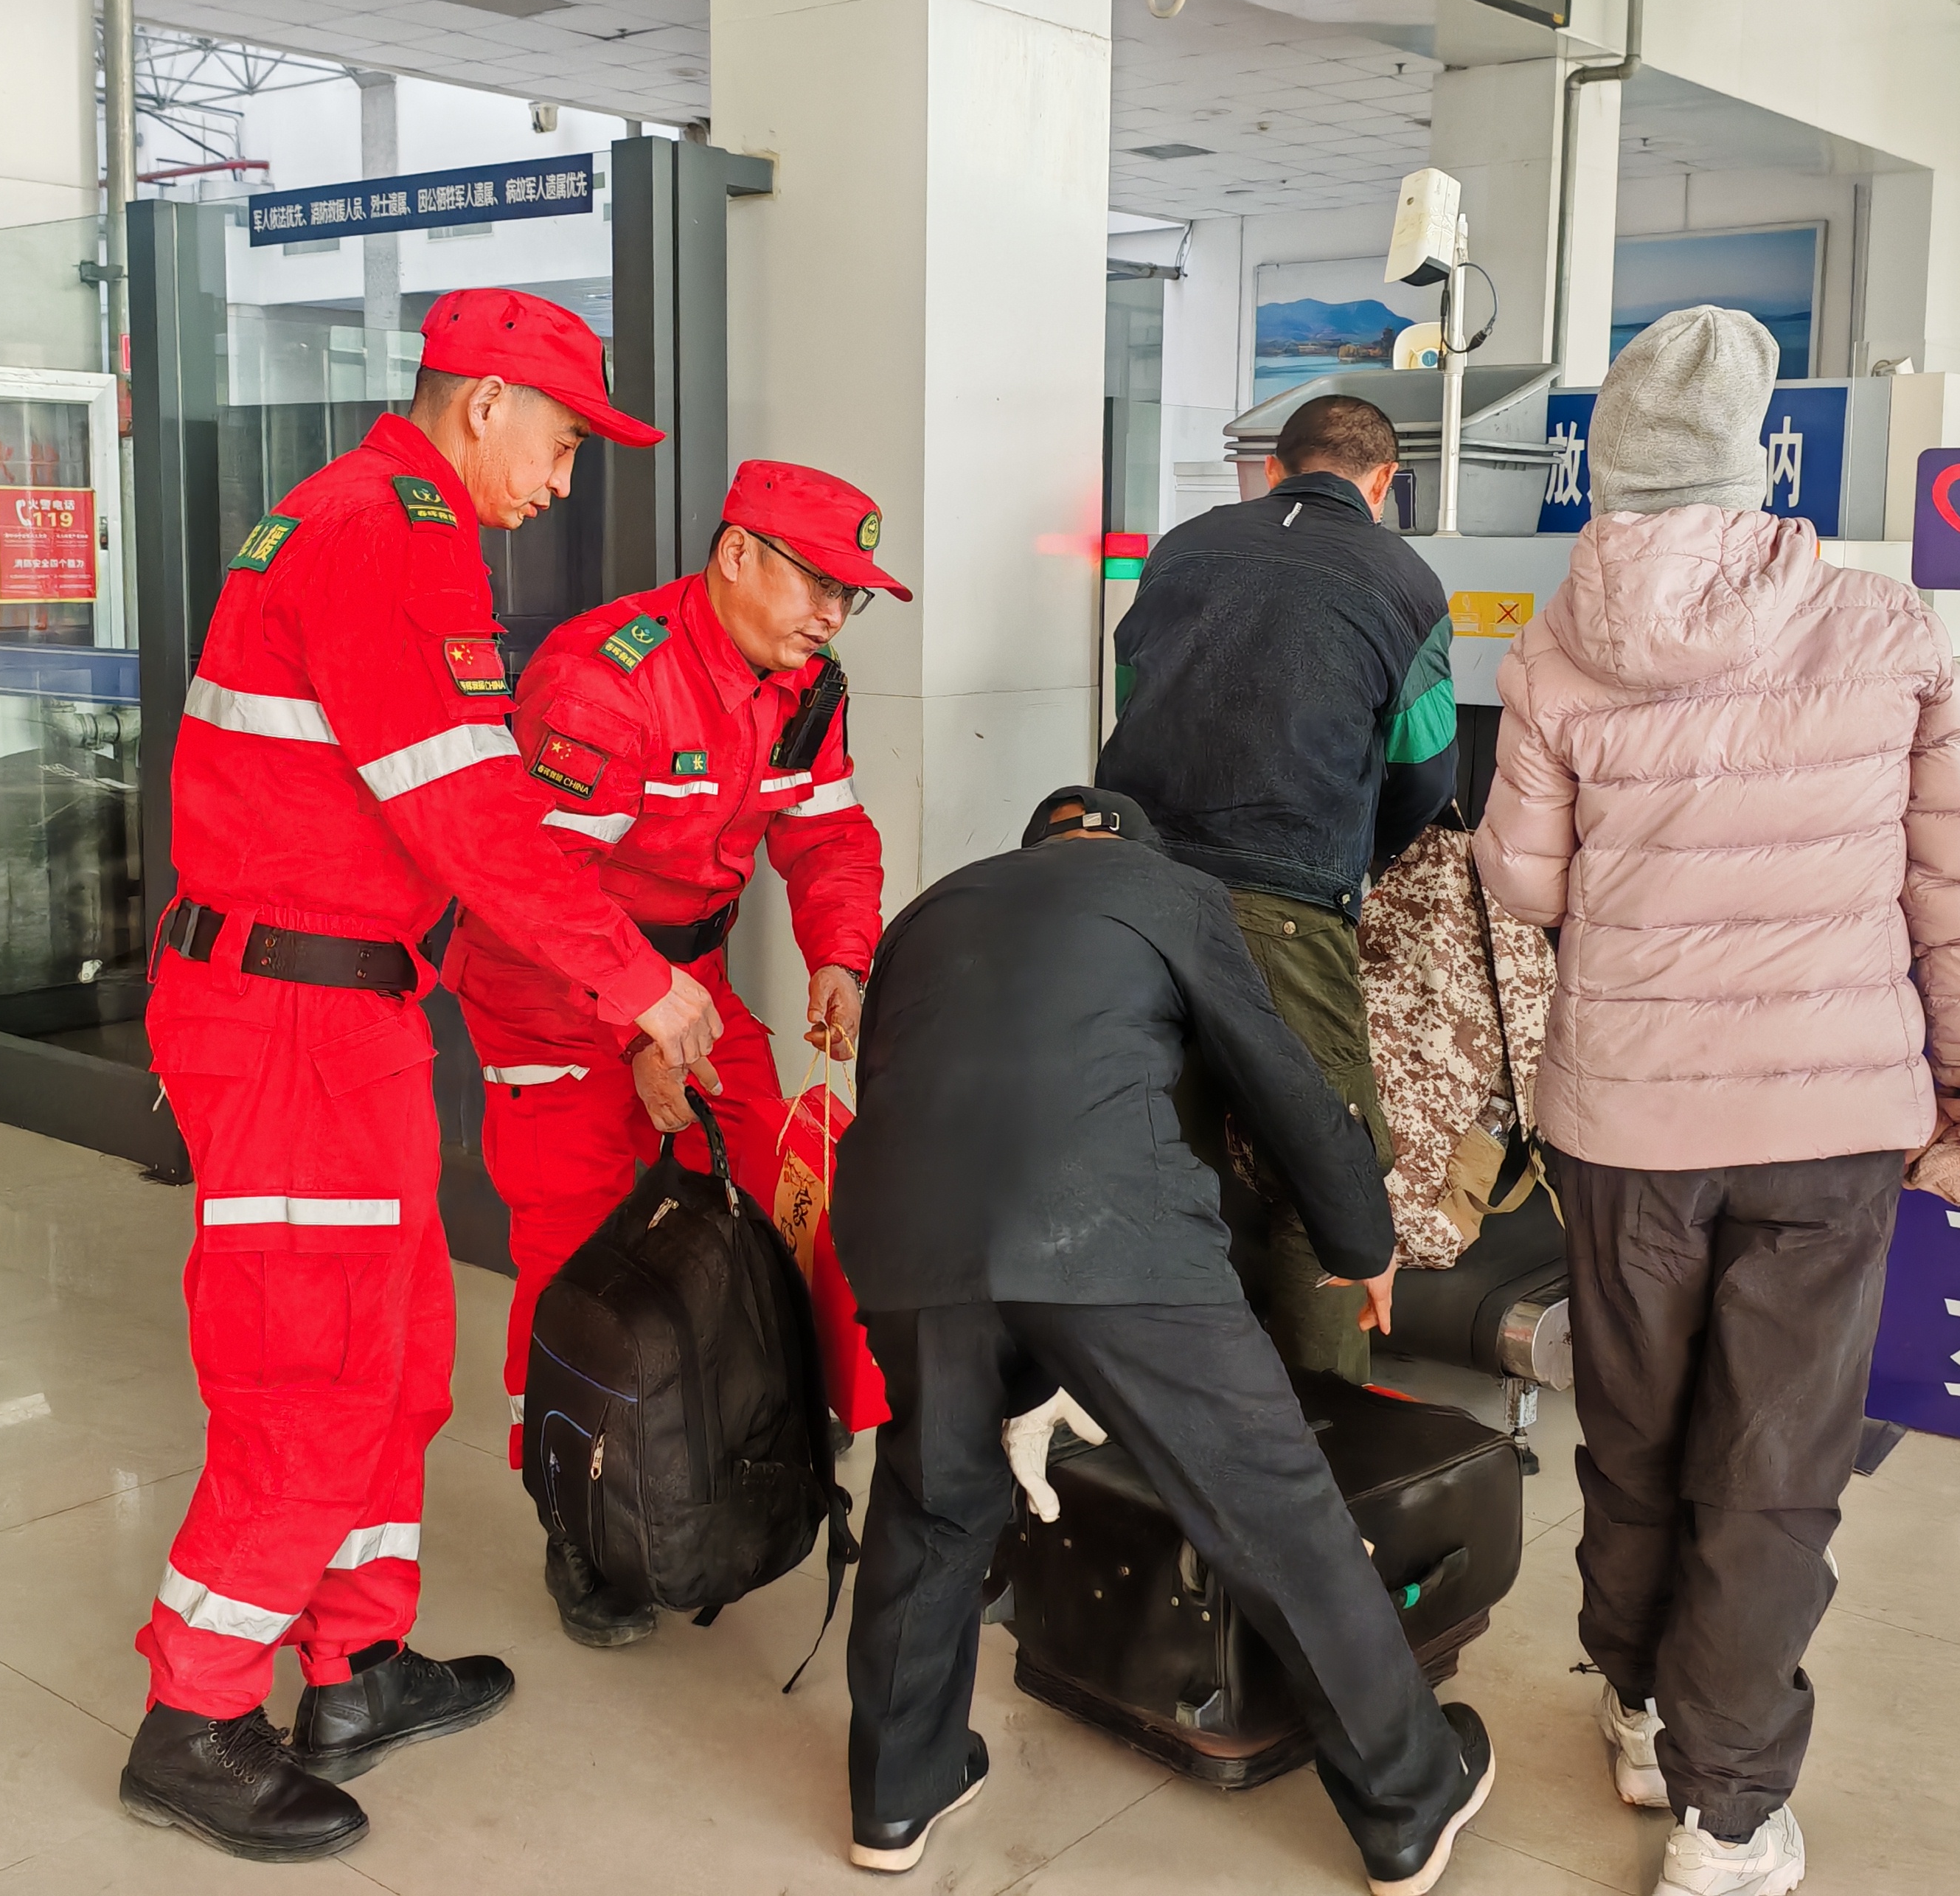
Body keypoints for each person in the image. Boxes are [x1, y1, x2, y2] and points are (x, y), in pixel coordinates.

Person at [122, 287, 726, 1863]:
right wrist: (638, 980)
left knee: (395, 1361)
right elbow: (469, 816)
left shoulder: (367, 516)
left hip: (351, 1012)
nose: (565, 480)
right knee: (311, 1374)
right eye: (564, 443)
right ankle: (194, 1715)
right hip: (291, 1028)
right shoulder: (393, 533)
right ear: (482, 404)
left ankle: (356, 1669)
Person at [1476, 306, 1960, 1896]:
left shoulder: (1554, 646)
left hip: (1627, 1119)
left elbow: (1522, 885)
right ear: (1753, 460)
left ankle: (1638, 1703)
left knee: (1631, 1432)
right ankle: (1725, 1816)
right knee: (1772, 1462)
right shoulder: (1883, 625)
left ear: (1608, 471)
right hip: (1827, 1125)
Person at [830, 789, 1493, 1896]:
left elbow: (909, 1101)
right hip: (1110, 1228)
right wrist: (1361, 1234)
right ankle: (1411, 1802)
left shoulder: (932, 909)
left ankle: (897, 1792)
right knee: (1273, 1507)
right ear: (1129, 846)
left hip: (904, 1231)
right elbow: (1281, 1077)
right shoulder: (1169, 890)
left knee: (933, 1497)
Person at [448, 459, 903, 1644]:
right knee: (580, 1257)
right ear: (736, 553)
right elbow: (533, 889)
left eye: (850, 595)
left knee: (772, 1205)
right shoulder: (604, 682)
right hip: (550, 999)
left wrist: (841, 958)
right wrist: (632, 1022)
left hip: (686, 988)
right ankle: (576, 1516)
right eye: (817, 583)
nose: (832, 614)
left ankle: (734, 1441)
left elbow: (828, 832)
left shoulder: (804, 688)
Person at [1094, 392, 1457, 1383]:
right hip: (1287, 905)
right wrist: (1352, 862)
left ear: (1272, 470)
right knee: (1326, 1162)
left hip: (1133, 889)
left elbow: (1134, 698)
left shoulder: (1180, 550)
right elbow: (1426, 769)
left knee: (1165, 1154)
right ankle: (1323, 1431)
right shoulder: (1407, 580)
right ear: (1383, 485)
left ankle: (1174, 1406)